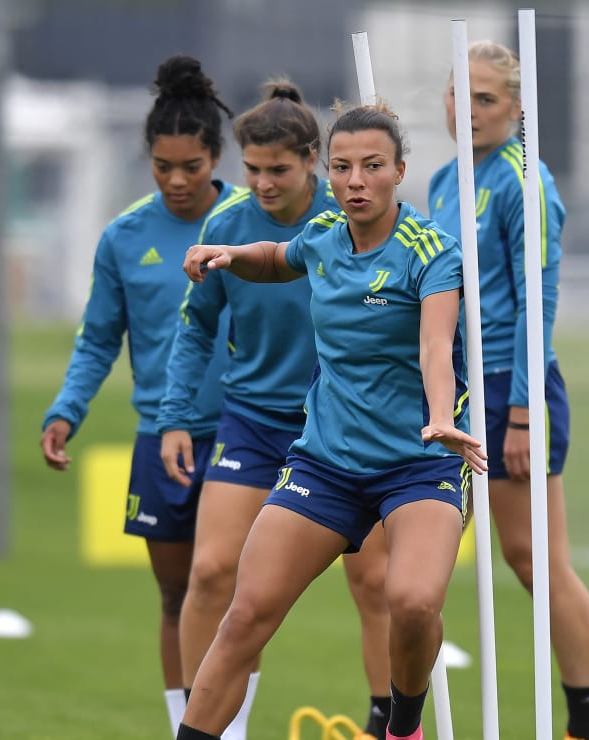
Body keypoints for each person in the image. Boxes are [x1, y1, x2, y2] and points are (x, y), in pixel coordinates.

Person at [174, 102, 487, 740]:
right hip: (327, 462)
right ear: (328, 170)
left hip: (419, 461)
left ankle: (402, 728)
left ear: (400, 171)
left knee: (413, 600)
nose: (355, 181)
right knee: (245, 613)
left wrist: (437, 417)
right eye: (343, 167)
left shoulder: (432, 251)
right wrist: (231, 254)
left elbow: (436, 346)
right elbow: (278, 256)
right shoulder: (321, 235)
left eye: (372, 167)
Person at [158, 80, 394, 738]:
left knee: (376, 583)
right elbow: (196, 326)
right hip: (253, 424)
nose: (262, 183)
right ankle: (208, 730)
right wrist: (177, 415)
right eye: (252, 170)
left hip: (342, 430)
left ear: (313, 161)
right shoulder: (227, 226)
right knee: (210, 575)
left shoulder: (349, 220)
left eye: (278, 170)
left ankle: (386, 724)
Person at [38, 55, 240, 737]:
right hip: (163, 435)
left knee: (227, 594)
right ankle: (184, 725)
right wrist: (68, 408)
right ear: (148, 159)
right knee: (177, 594)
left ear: (216, 156)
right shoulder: (125, 237)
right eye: (162, 166)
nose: (177, 180)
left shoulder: (250, 225)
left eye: (190, 165)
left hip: (245, 432)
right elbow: (99, 338)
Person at [427, 40, 589, 740]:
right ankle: (398, 715)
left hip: (511, 385)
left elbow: (537, 299)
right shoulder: (447, 179)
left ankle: (588, 723)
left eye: (486, 99)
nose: (468, 110)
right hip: (453, 386)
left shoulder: (523, 181)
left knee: (534, 558)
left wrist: (523, 415)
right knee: (413, 557)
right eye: (458, 95)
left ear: (516, 109)